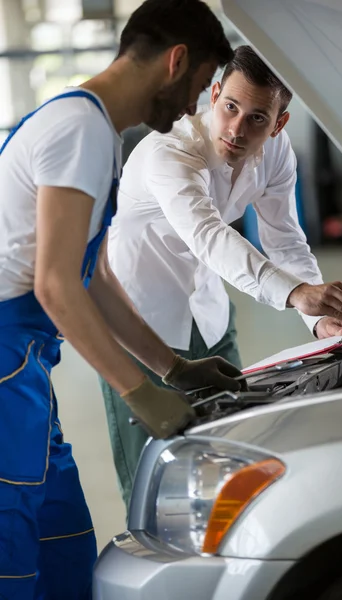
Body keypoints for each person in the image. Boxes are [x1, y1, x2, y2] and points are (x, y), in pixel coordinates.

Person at [0, 1, 238, 597]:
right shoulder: (79, 127)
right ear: (175, 61)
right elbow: (55, 286)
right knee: (12, 554)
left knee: (64, 539)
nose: (194, 107)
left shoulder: (95, 131)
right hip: (4, 366)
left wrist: (171, 367)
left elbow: (92, 278)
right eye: (202, 85)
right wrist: (138, 395)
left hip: (26, 367)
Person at [102, 45, 342, 508]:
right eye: (231, 107)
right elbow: (207, 236)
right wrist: (296, 294)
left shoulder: (275, 153)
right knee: (155, 487)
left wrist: (316, 320)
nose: (237, 128)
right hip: (138, 328)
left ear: (279, 123)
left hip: (210, 318)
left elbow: (285, 240)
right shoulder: (169, 151)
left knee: (229, 463)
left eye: (257, 118)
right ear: (213, 94)